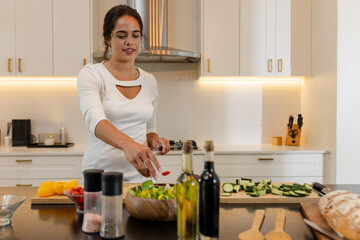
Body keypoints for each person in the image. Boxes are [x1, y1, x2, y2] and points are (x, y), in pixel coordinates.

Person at [77, 5, 170, 182]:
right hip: (100, 177)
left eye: (135, 35)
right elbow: (94, 119)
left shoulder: (150, 81)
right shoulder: (91, 74)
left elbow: (150, 131)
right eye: (121, 35)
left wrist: (156, 142)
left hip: (140, 177)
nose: (130, 41)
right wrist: (128, 145)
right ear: (108, 39)